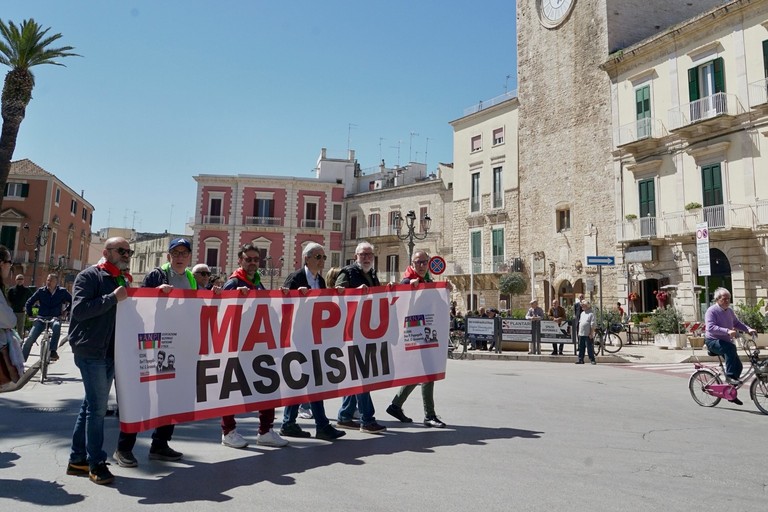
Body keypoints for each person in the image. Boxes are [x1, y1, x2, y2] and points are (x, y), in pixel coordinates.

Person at [114, 237, 194, 468]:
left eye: (184, 253)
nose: (179, 257)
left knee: (170, 396)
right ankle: (124, 448)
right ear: (168, 256)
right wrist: (156, 293)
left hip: (176, 346)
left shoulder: (190, 278)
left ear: (189, 257)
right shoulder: (157, 275)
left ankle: (160, 444)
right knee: (142, 395)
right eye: (175, 253)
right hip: (152, 344)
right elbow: (139, 304)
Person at [66, 237, 132, 485]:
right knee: (97, 409)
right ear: (106, 252)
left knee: (89, 406)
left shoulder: (121, 279)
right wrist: (113, 298)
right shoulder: (89, 276)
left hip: (111, 351)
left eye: (129, 251)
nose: (127, 254)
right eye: (121, 250)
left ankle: (77, 460)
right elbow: (80, 311)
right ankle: (96, 463)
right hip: (91, 350)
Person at [220, 243, 288, 448]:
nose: (252, 263)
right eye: (248, 259)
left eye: (255, 259)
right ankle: (228, 432)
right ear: (240, 260)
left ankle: (265, 430)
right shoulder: (233, 284)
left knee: (268, 386)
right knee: (231, 390)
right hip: (237, 346)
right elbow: (222, 312)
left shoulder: (258, 284)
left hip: (258, 345)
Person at [279, 242, 346, 441]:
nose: (322, 261)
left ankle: (290, 423)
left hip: (314, 338)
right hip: (298, 339)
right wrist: (294, 296)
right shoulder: (296, 278)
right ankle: (319, 425)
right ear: (306, 258)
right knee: (308, 381)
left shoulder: (320, 281)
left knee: (307, 382)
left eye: (324, 257)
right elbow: (283, 306)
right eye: (318, 257)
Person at [386, 250, 446, 428]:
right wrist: (407, 288)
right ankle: (430, 415)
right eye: (418, 262)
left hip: (426, 332)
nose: (421, 265)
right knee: (428, 373)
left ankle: (395, 405)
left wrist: (445, 291)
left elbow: (437, 304)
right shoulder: (407, 281)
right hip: (413, 334)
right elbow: (400, 302)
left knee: (419, 373)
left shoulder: (427, 282)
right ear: (412, 264)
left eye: (424, 262)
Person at [335, 241, 387, 434]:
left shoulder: (372, 274)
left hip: (367, 331)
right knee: (361, 376)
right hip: (351, 332)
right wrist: (354, 292)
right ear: (355, 256)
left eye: (369, 255)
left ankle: (345, 416)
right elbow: (336, 294)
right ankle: (367, 419)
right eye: (362, 254)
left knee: (355, 376)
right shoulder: (347, 272)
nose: (366, 258)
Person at [705, 287, 757, 405]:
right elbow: (710, 328)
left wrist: (748, 329)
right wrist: (727, 331)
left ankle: (730, 393)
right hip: (712, 341)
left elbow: (737, 323)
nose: (727, 301)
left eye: (729, 299)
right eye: (724, 299)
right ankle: (729, 377)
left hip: (724, 342)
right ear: (717, 299)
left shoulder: (729, 311)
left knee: (738, 366)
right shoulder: (711, 311)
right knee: (730, 348)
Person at [22, 273, 72, 362]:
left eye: (51, 280)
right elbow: (29, 302)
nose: (48, 282)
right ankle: (21, 362)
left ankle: (52, 351)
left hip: (55, 317)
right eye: (48, 280)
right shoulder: (41, 291)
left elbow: (73, 301)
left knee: (56, 326)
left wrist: (66, 311)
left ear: (56, 282)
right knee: (30, 339)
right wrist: (30, 314)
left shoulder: (62, 292)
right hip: (41, 318)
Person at [575, 300, 596, 365]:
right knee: (581, 347)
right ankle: (580, 359)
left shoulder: (591, 314)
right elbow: (580, 322)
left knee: (589, 348)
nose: (582, 307)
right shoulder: (582, 313)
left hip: (588, 334)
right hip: (581, 333)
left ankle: (592, 359)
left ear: (587, 306)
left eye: (583, 305)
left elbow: (592, 324)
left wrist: (591, 333)